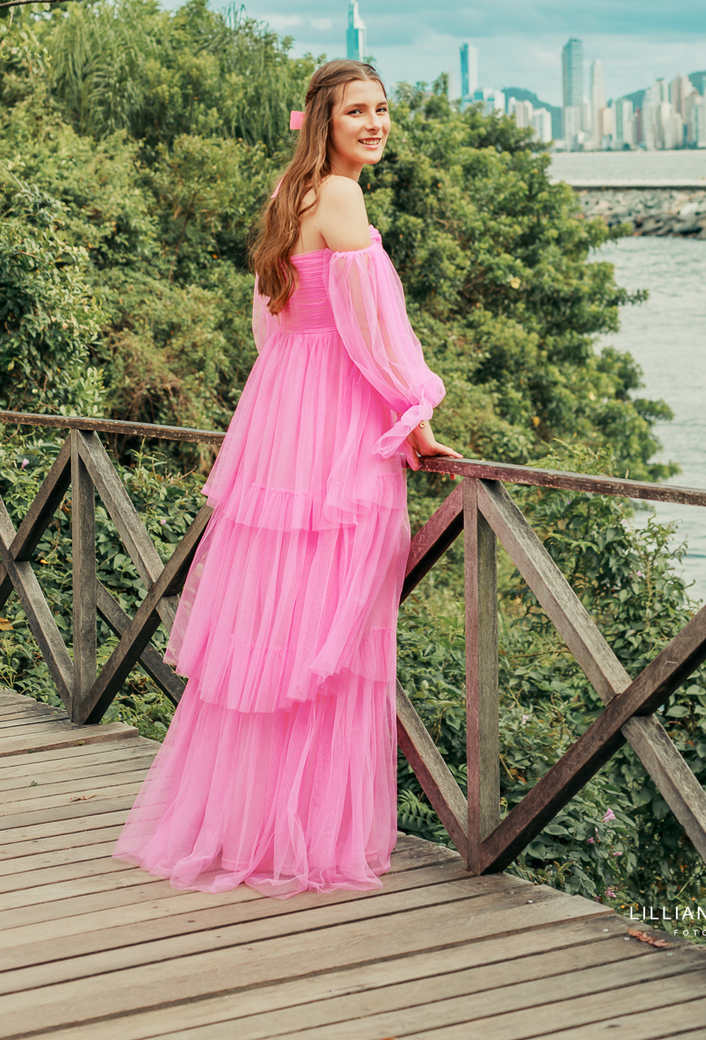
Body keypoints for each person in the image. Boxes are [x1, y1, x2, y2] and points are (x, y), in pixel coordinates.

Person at [113, 59, 460, 897]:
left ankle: (260, 826)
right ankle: (304, 837)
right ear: (323, 122)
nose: (375, 125)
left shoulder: (287, 194)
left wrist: (284, 416)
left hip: (287, 418)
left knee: (281, 625)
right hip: (339, 427)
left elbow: (273, 325)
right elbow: (375, 329)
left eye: (382, 109)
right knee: (334, 632)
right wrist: (416, 417)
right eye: (357, 114)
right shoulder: (340, 197)